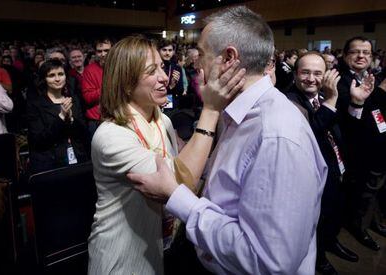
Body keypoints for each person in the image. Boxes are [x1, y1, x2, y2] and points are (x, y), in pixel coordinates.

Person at [127, 6, 327, 274]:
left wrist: (177, 198)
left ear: (228, 58)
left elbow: (268, 263)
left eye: (202, 55)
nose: (197, 64)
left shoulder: (276, 136)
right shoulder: (237, 113)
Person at [87, 35, 245, 275]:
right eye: (152, 71)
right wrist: (211, 109)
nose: (164, 77)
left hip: (161, 247)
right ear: (127, 83)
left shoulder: (163, 120)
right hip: (123, 256)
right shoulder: (111, 136)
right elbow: (180, 182)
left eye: (161, 66)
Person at [286, 52, 369, 275]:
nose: (311, 78)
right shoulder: (289, 102)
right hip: (311, 179)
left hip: (337, 169)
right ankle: (319, 258)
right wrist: (331, 102)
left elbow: (345, 131)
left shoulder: (325, 95)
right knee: (318, 223)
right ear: (295, 75)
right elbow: (308, 136)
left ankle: (331, 242)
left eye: (317, 73)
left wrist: (357, 103)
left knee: (334, 214)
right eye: (305, 72)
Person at [336, 36, 386, 251]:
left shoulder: (368, 75)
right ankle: (357, 225)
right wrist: (359, 101)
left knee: (374, 189)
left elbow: (375, 109)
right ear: (346, 55)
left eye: (366, 53)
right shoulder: (339, 80)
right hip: (355, 148)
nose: (361, 56)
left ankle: (371, 220)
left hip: (376, 143)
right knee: (360, 191)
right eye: (355, 52)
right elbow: (346, 120)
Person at [27, 59, 89, 174]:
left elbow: (84, 134)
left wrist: (71, 119)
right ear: (44, 79)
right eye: (51, 75)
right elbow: (39, 140)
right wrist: (61, 117)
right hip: (51, 163)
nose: (57, 79)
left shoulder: (73, 100)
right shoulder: (36, 104)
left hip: (78, 159)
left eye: (61, 74)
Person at [81, 38, 112, 136]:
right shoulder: (89, 70)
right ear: (95, 52)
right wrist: (108, 87)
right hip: (96, 120)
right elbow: (88, 98)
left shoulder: (119, 68)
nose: (103, 54)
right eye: (99, 51)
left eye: (107, 51)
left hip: (116, 118)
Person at [158, 40, 184, 109]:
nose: (167, 53)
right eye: (164, 50)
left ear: (173, 52)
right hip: (155, 102)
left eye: (170, 50)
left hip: (170, 102)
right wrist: (171, 86)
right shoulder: (155, 67)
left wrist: (175, 83)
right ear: (158, 51)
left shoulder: (176, 68)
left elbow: (180, 91)